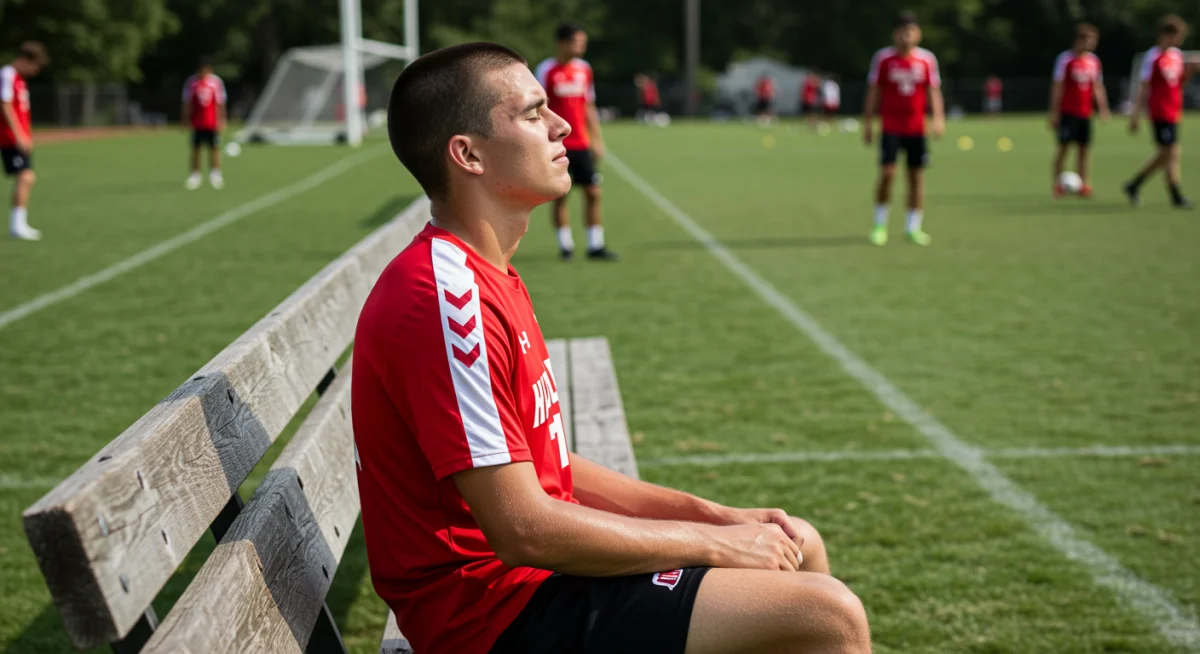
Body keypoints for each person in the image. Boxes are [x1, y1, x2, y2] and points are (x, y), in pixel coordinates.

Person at [356, 41, 872, 654]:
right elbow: (524, 529)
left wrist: (714, 515)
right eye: (532, 113)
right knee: (828, 614)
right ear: (467, 154)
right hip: (490, 617)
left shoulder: (483, 273)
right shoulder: (445, 298)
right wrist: (715, 542)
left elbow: (549, 463)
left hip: (533, 584)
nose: (562, 125)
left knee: (798, 542)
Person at [535, 23, 616, 261]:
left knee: (593, 192)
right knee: (560, 195)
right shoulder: (546, 69)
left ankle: (595, 245)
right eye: (577, 42)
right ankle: (566, 246)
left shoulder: (584, 69)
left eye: (583, 42)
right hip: (557, 143)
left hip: (581, 143)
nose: (581, 47)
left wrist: (597, 139)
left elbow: (589, 105)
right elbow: (539, 107)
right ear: (562, 43)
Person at [864, 12, 944, 247]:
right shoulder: (883, 58)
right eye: (902, 31)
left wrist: (938, 118)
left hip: (917, 127)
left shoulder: (927, 60)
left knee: (916, 176)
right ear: (895, 34)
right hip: (891, 126)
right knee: (888, 173)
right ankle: (879, 224)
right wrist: (868, 123)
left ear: (918, 34)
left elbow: (933, 91)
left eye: (911, 31)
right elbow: (874, 91)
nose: (906, 36)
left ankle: (913, 227)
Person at [1124, 15, 1200, 209]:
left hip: (1174, 110)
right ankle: (1175, 194)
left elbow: (1178, 83)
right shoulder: (1153, 57)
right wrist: (1135, 114)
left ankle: (1134, 184)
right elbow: (1144, 86)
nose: (1178, 41)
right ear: (1165, 35)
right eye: (1176, 36)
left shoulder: (1176, 56)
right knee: (1171, 152)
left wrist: (1191, 71)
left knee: (1168, 153)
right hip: (1159, 111)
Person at [1049, 24, 1110, 198]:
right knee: (1063, 148)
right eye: (1090, 40)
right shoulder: (1065, 59)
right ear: (1078, 40)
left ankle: (1084, 185)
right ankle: (1057, 185)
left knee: (1084, 149)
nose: (1092, 44)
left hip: (1085, 112)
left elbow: (1097, 86)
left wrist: (1103, 108)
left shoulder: (1093, 61)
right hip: (1068, 112)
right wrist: (1054, 112)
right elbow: (1058, 86)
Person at [1, 41, 48, 241]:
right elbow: (5, 105)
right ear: (25, 60)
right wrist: (19, 135)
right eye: (35, 66)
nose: (35, 71)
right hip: (9, 138)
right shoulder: (7, 75)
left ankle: (19, 223)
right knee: (25, 176)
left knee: (27, 177)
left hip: (18, 137)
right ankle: (17, 225)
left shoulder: (19, 79)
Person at [182, 57, 227, 190]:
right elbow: (187, 102)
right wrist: (185, 119)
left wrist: (222, 119)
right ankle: (195, 175)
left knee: (214, 148)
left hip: (212, 122)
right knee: (196, 148)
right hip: (197, 122)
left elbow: (220, 102)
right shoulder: (192, 82)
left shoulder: (216, 82)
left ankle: (215, 174)